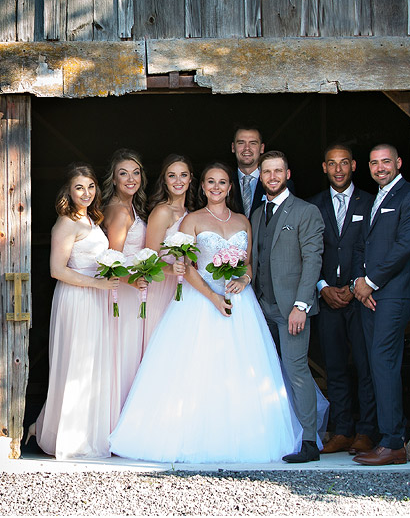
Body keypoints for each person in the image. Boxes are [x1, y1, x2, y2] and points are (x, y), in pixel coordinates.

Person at [109, 163, 300, 463]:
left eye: (222, 182)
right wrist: (212, 296)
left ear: (229, 188)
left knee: (242, 367)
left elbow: (249, 263)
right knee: (195, 367)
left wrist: (244, 279)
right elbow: (187, 268)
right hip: (200, 301)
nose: (215, 187)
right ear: (203, 187)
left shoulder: (243, 221)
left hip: (240, 303)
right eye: (210, 182)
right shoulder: (192, 221)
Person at [32, 164, 122, 459]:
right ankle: (66, 435)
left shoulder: (92, 219)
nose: (86, 193)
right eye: (79, 187)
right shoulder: (67, 222)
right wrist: (98, 283)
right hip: (76, 298)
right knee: (76, 365)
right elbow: (57, 270)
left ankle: (80, 430)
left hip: (95, 299)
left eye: (91, 187)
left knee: (91, 366)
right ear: (68, 192)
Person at [352, 144, 410, 466]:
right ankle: (384, 437)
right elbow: (364, 245)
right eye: (374, 163)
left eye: (386, 162)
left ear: (398, 163)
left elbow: (405, 247)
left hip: (395, 293)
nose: (380, 167)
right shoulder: (376, 198)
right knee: (375, 363)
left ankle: (394, 442)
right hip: (372, 295)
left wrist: (371, 282)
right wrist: (361, 283)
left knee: (384, 362)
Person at [250, 151, 325, 463]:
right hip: (260, 306)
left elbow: (313, 261)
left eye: (277, 171)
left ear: (288, 173)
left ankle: (309, 441)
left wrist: (301, 305)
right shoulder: (256, 214)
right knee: (262, 372)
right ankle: (269, 434)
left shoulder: (306, 211)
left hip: (291, 308)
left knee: (295, 369)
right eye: (267, 172)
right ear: (261, 175)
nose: (272, 177)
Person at [308, 144, 378, 455]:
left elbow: (375, 247)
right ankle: (341, 431)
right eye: (332, 163)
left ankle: (365, 431)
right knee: (334, 366)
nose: (338, 169)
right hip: (327, 297)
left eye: (344, 163)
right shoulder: (314, 205)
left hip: (360, 296)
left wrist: (353, 286)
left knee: (364, 365)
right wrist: (322, 286)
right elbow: (311, 251)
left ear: (353, 166)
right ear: (324, 167)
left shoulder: (371, 202)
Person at [100, 148, 148, 405]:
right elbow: (113, 262)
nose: (131, 178)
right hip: (125, 294)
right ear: (114, 179)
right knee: (124, 355)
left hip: (132, 292)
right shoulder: (119, 212)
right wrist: (135, 280)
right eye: (123, 173)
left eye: (136, 172)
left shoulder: (130, 207)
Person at [138, 154, 196, 349]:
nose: (178, 181)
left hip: (187, 287)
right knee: (163, 346)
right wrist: (171, 270)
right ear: (164, 180)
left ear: (190, 178)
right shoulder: (162, 211)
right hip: (163, 288)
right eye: (172, 176)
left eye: (183, 175)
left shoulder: (192, 212)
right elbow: (149, 260)